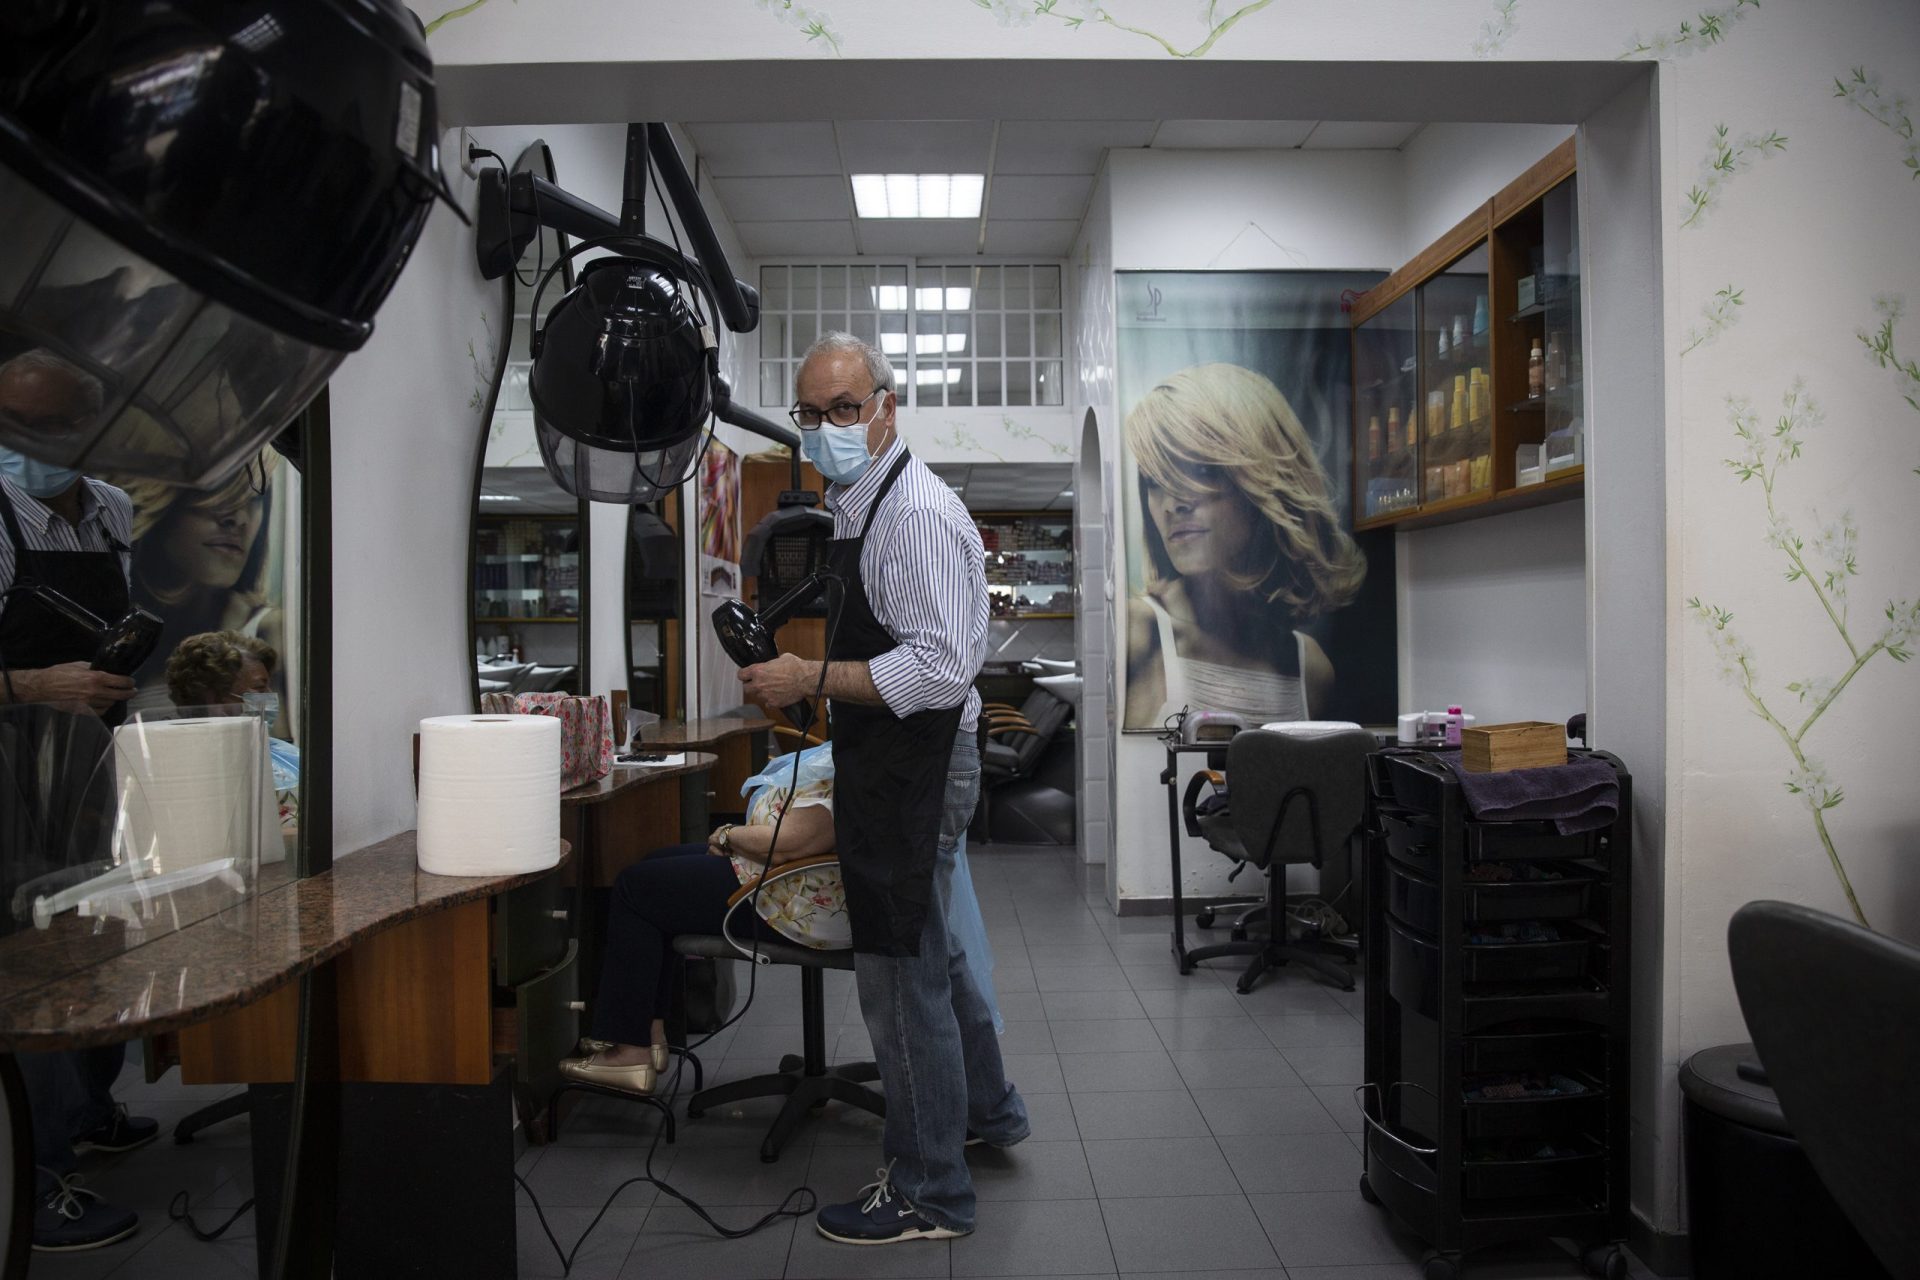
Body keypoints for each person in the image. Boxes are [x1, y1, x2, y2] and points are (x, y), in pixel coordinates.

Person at [739, 332, 1027, 1247]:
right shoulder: (861, 501)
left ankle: (929, 1189)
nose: (827, 429)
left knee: (898, 974)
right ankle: (988, 1112)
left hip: (922, 763)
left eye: (845, 410)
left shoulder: (917, 516)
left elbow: (943, 671)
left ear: (886, 408)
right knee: (933, 954)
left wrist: (807, 679)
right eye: (811, 415)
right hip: (893, 761)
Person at [0, 348, 156, 1253]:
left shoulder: (113, 510)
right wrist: (31, 687)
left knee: (95, 933)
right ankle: (34, 1178)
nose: (38, 442)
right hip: (8, 764)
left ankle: (91, 1109)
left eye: (60, 424)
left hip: (90, 757)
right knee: (30, 960)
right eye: (21, 423)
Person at [558, 742, 843, 1094]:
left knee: (636, 889)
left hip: (792, 898)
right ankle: (648, 1033)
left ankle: (630, 1053)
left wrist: (729, 835)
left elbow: (791, 844)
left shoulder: (864, 747)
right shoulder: (863, 735)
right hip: (791, 880)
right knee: (653, 864)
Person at [1121, 362, 1367, 730]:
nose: (1173, 504)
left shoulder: (1310, 668)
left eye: (1203, 470)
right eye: (1154, 481)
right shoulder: (1136, 634)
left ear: (1263, 478)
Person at [112, 451, 279, 716]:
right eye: (218, 492)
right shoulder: (118, 624)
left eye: (255, 500)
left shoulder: (266, 630)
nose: (239, 519)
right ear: (164, 495)